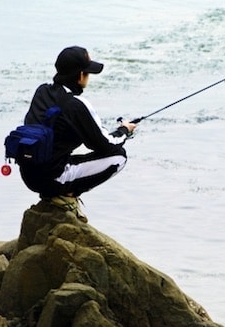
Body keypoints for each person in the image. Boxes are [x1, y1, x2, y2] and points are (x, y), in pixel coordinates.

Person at [18, 46, 137, 222]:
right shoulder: (76, 105)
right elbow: (106, 144)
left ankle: (56, 192)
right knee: (119, 157)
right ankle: (67, 194)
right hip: (52, 177)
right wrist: (124, 130)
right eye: (88, 74)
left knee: (58, 154)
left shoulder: (42, 91)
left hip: (28, 174)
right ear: (80, 76)